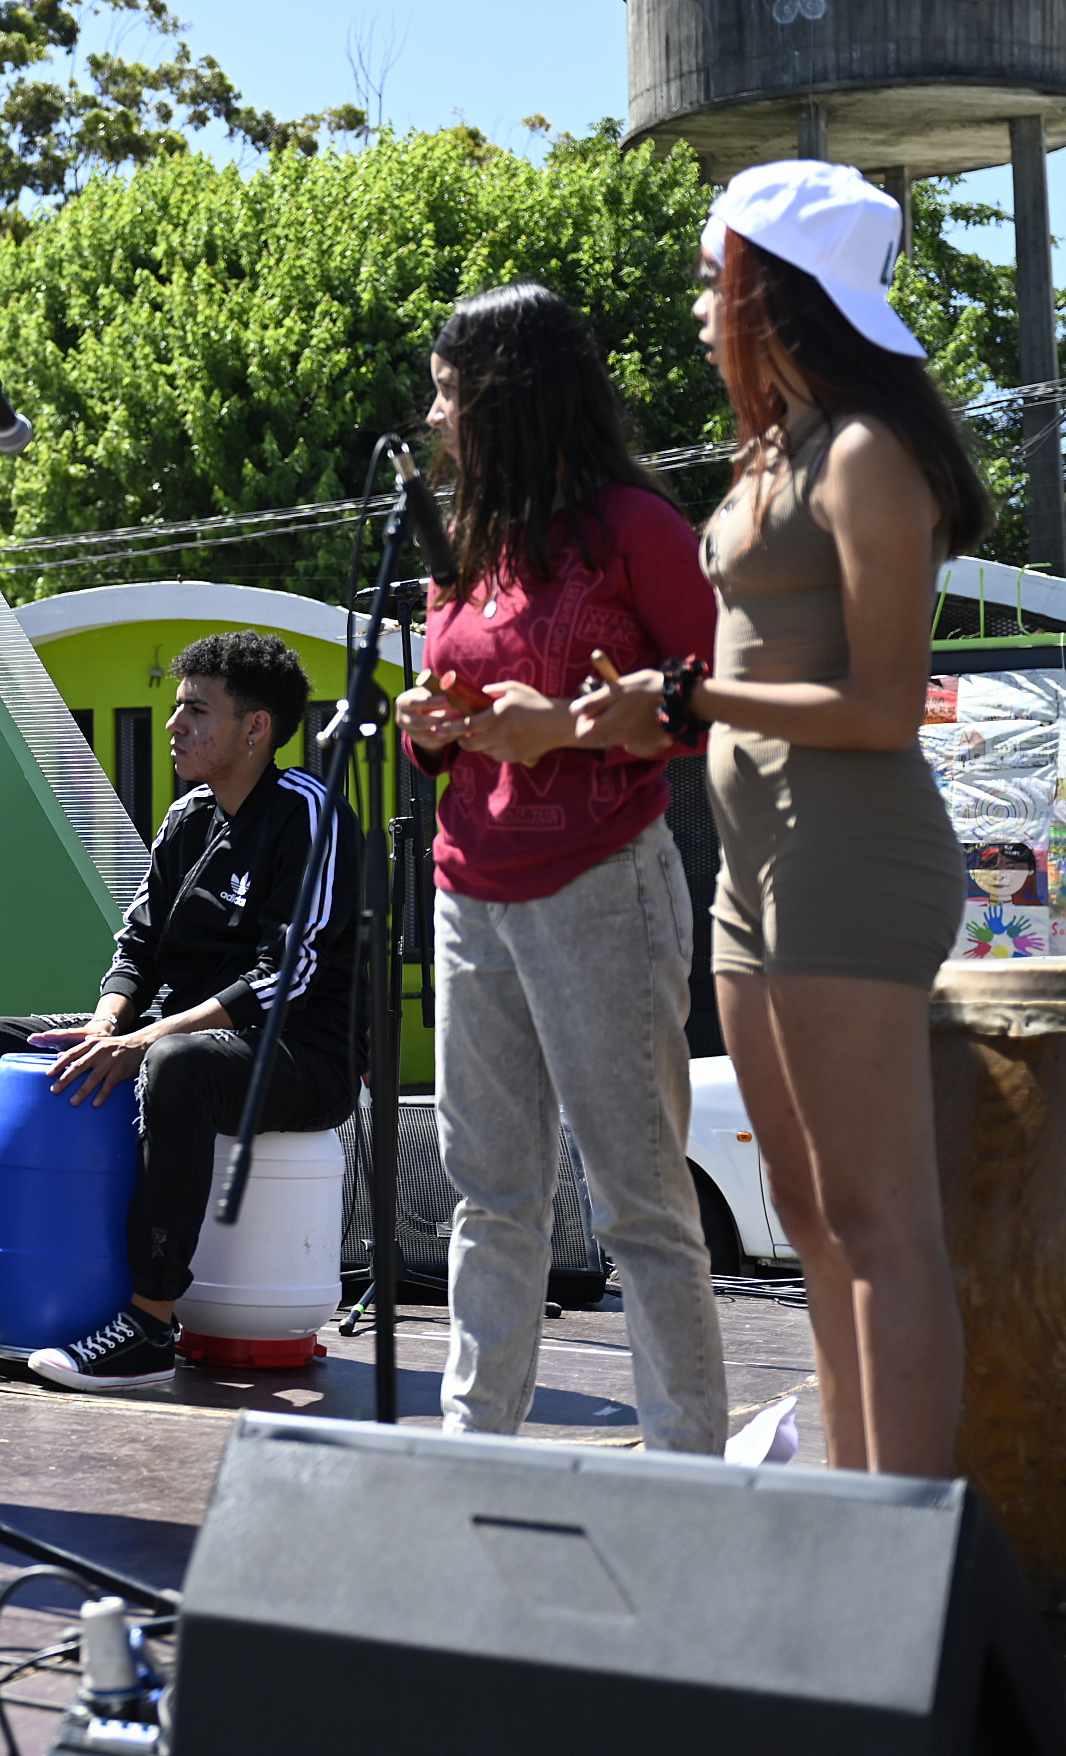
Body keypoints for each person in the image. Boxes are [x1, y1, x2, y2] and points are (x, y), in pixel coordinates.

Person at [576, 160, 991, 1476]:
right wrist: (649, 712)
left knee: (880, 1221)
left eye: (713, 279)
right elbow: (749, 681)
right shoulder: (778, 450)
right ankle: (841, 1516)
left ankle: (903, 1550)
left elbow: (882, 703)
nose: (698, 306)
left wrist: (691, 691)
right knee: (809, 1216)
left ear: (771, 289)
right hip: (756, 871)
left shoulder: (868, 454)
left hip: (849, 858)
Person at [391, 283, 729, 1456]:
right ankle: (476, 1441)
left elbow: (716, 702)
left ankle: (688, 1459)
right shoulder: (468, 542)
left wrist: (571, 730)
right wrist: (425, 722)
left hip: (602, 887)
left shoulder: (639, 525)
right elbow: (447, 694)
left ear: (503, 393)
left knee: (639, 1199)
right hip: (468, 889)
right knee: (490, 1192)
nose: (434, 418)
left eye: (446, 392)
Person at [0, 633, 357, 1395]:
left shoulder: (309, 813)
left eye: (195, 711)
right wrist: (109, 1024)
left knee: (178, 1066)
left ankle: (146, 1323)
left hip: (299, 1054)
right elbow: (137, 945)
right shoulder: (185, 819)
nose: (174, 726)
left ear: (256, 729)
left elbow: (287, 975)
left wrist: (147, 1039)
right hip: (171, 1031)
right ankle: (1, 1284)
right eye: (175, 709)